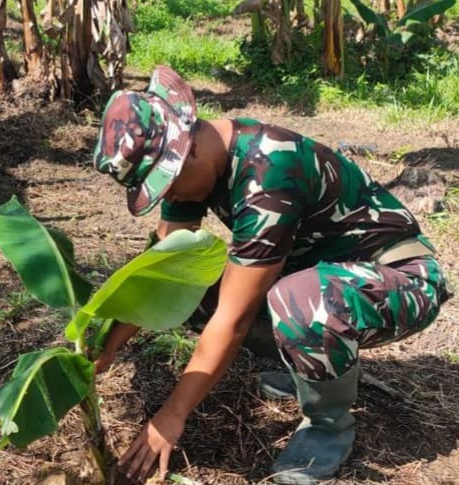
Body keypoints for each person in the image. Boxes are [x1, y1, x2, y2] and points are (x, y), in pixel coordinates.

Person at [91, 65, 449, 484]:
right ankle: (308, 369)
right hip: (325, 279)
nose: (168, 196)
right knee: (192, 290)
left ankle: (329, 426)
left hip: (403, 280)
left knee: (299, 301)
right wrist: (107, 348)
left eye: (166, 183)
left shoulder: (270, 171)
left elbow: (234, 319)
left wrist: (171, 415)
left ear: (187, 149)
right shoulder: (198, 174)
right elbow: (161, 277)